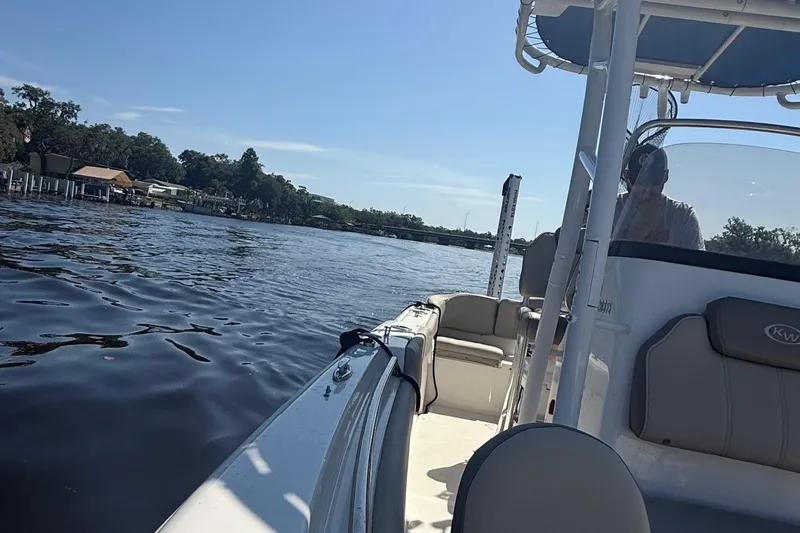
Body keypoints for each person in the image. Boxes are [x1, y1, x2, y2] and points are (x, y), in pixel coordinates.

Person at [612, 144, 705, 250]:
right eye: (638, 181)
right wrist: (645, 226)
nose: (647, 189)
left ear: (666, 176)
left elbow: (695, 261)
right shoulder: (610, 210)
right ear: (626, 176)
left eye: (655, 181)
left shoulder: (684, 216)